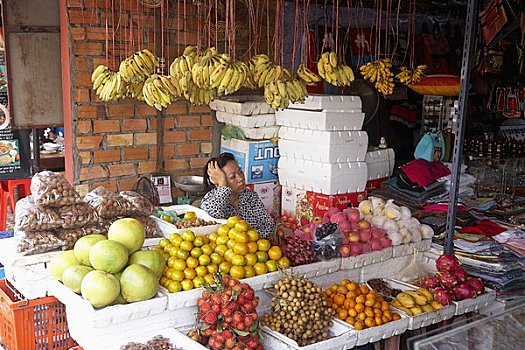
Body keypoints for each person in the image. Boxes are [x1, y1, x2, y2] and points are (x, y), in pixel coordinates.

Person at [201, 152, 275, 238]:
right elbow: (214, 213)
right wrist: (222, 183)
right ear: (218, 182)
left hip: (254, 248)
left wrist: (248, 238)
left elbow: (269, 226)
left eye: (240, 172)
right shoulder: (209, 200)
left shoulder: (250, 196)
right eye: (232, 177)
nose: (241, 178)